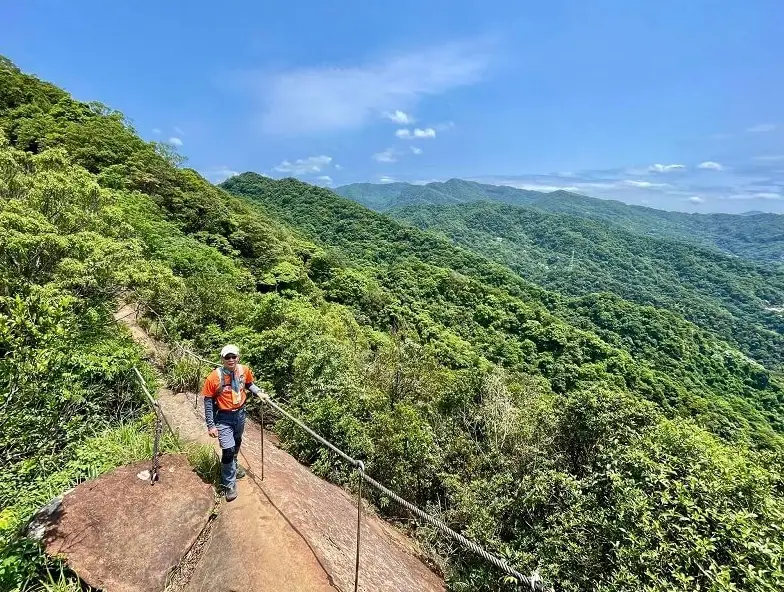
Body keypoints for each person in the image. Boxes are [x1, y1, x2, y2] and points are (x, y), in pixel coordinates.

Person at [201, 344, 264, 501]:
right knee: (228, 450)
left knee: (237, 442)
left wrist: (258, 392)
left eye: (233, 356)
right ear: (222, 359)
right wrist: (211, 425)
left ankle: (233, 467)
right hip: (223, 417)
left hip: (240, 414)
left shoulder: (244, 370)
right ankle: (229, 483)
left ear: (238, 357)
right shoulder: (213, 378)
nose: (231, 360)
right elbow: (208, 402)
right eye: (227, 357)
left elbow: (249, 384)